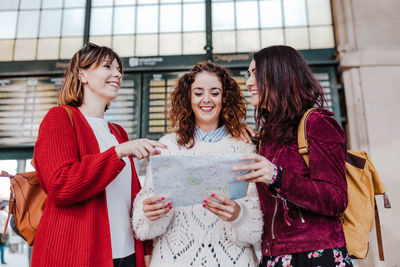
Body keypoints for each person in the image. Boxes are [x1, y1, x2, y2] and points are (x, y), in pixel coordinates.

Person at [32, 43, 166, 267]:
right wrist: (119, 152)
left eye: (119, 69)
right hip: (79, 255)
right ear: (82, 74)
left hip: (128, 255)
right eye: (107, 67)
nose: (117, 74)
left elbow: (131, 200)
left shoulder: (118, 132)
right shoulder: (59, 118)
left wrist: (148, 246)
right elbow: (61, 185)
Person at [132, 62, 263, 266]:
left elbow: (256, 226)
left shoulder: (244, 148)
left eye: (215, 92)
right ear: (188, 98)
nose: (207, 100)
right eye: (198, 93)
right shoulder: (168, 146)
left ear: (225, 97)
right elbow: (144, 223)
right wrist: (150, 213)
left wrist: (238, 215)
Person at [234, 45, 353, 266]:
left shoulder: (317, 123)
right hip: (273, 255)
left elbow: (336, 198)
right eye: (248, 75)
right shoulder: (267, 135)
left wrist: (278, 176)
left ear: (279, 75)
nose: (248, 83)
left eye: (255, 74)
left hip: (316, 254)